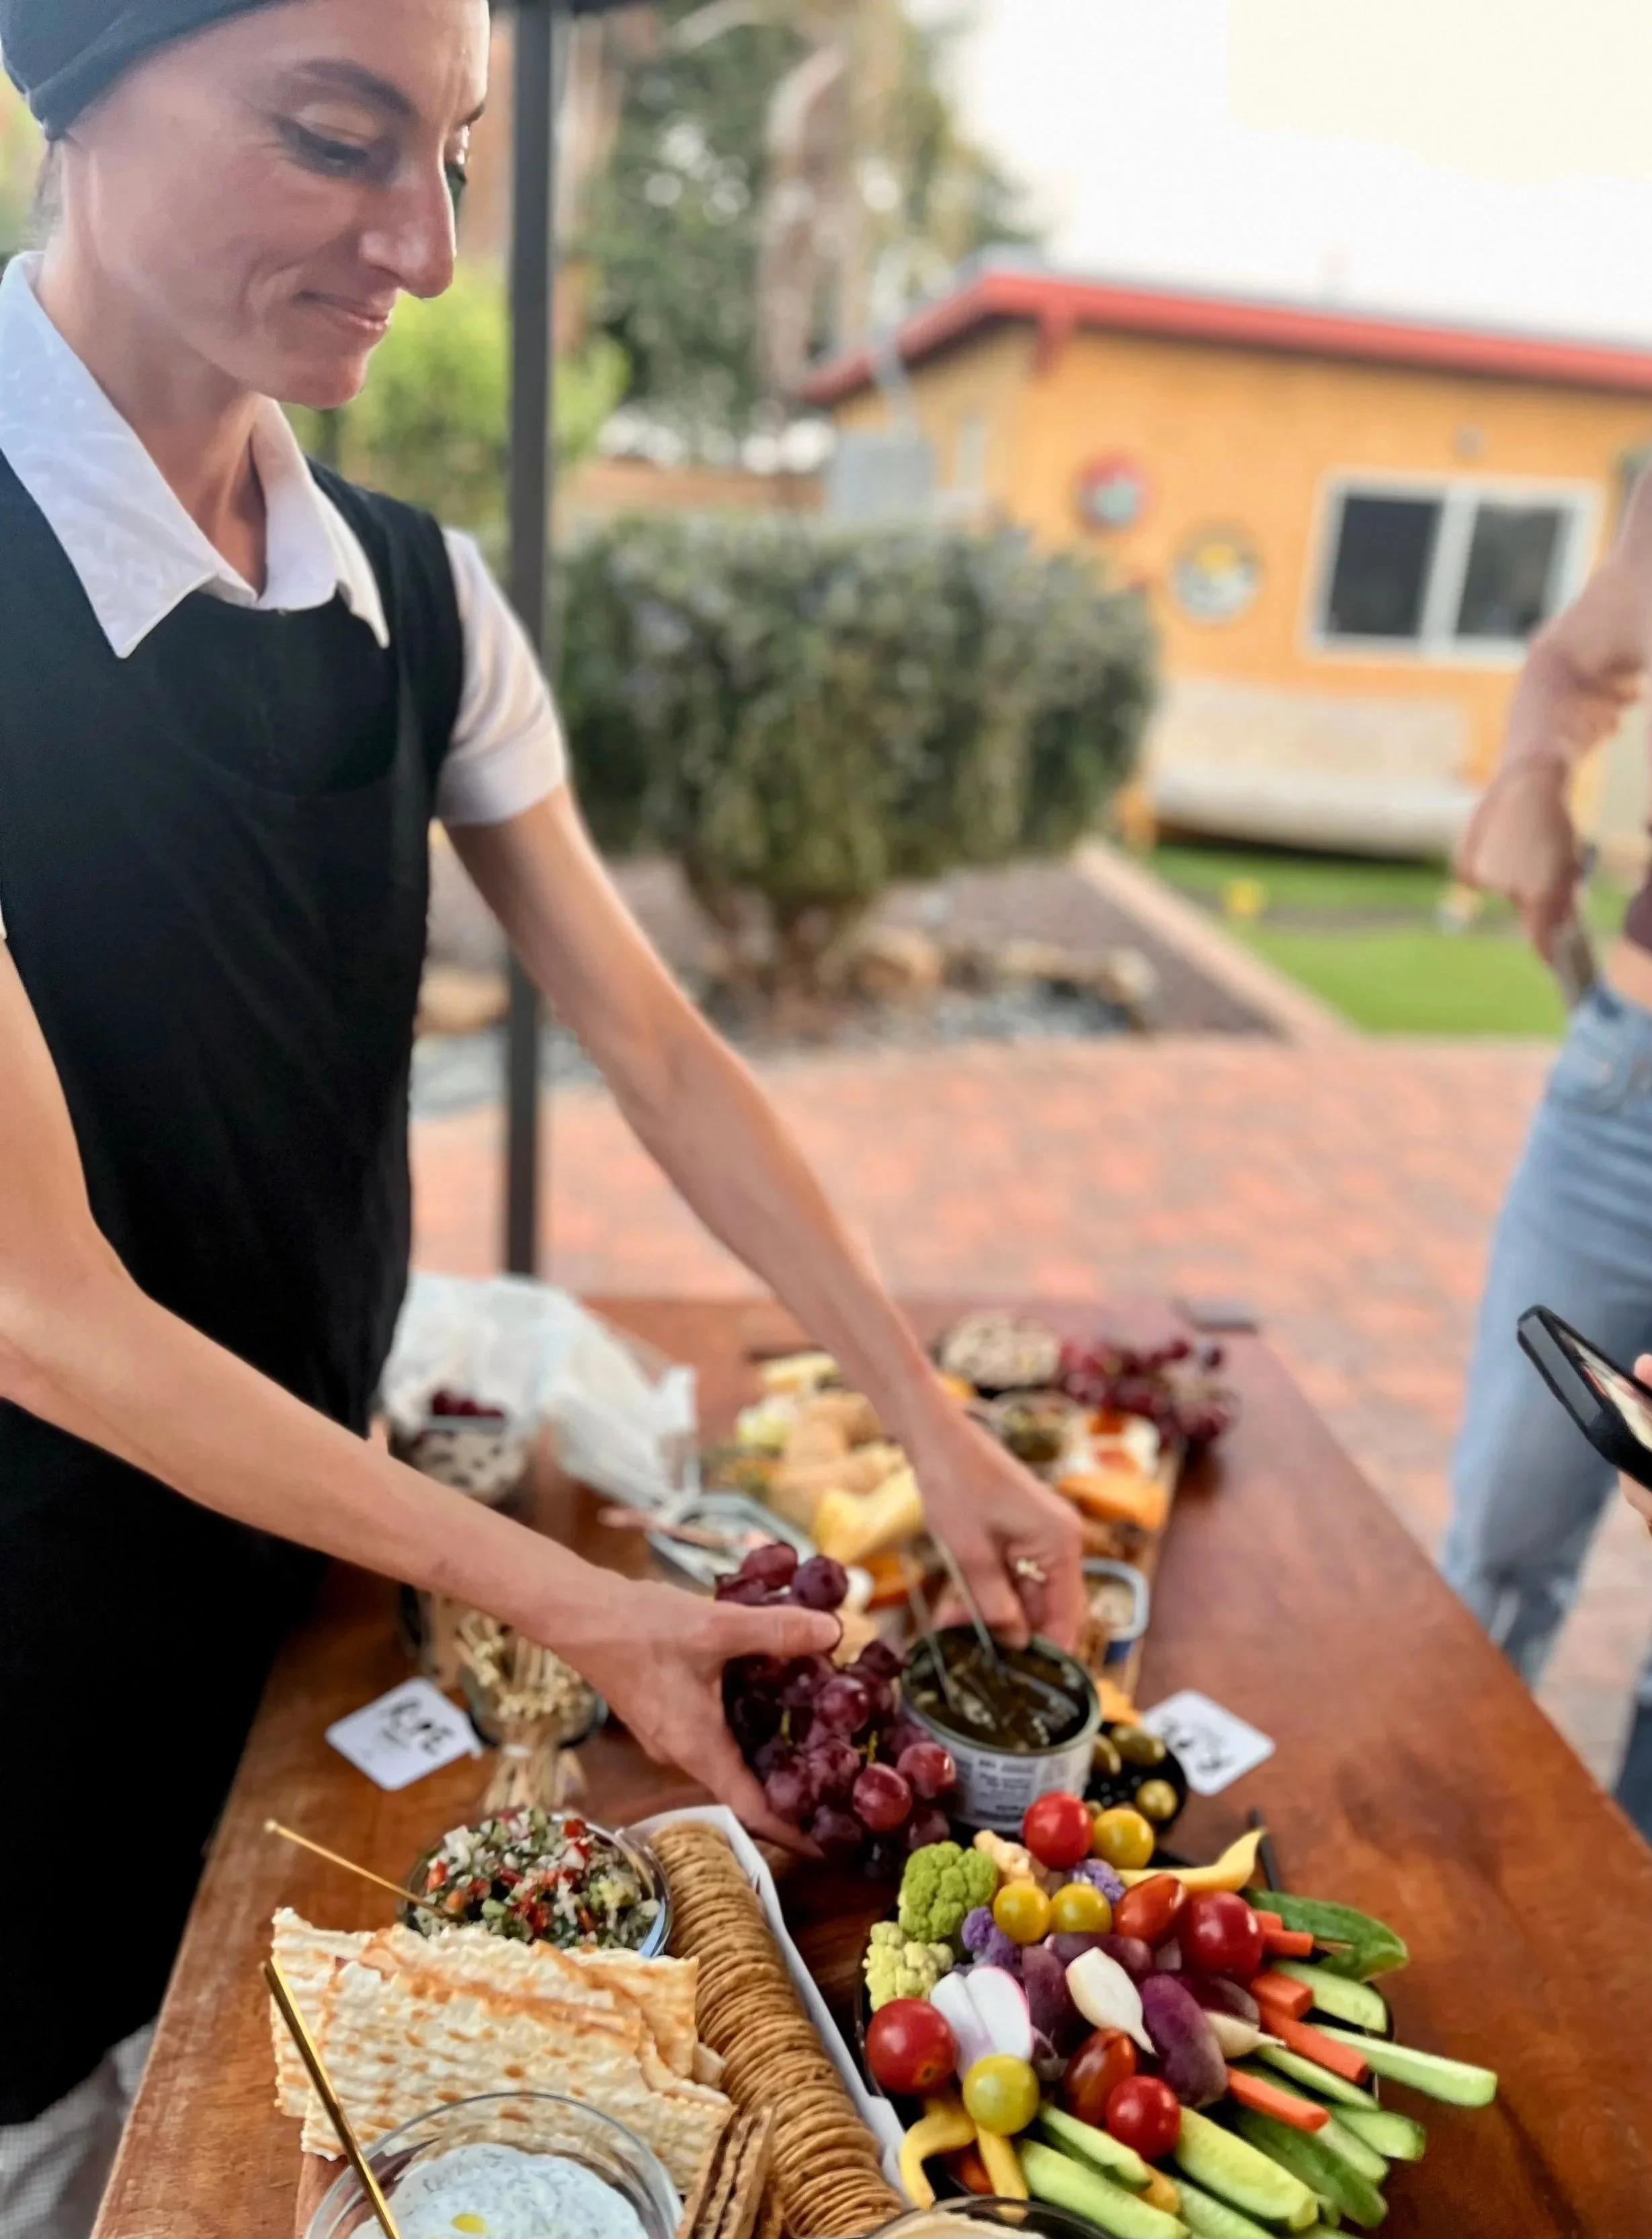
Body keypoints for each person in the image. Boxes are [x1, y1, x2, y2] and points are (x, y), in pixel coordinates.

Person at [0, 3, 1085, 2230]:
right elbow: (42, 1312)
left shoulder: (412, 595)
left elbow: (663, 1048)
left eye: (459, 153)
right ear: (76, 83)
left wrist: (928, 1412)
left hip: (313, 1553)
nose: (424, 237)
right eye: (335, 137)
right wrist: (575, 1609)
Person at [1446, 442, 1652, 1879]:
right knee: (1496, 1549)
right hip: (1628, 1092)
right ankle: (1430, 1903)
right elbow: (1567, 664)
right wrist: (1531, 775)